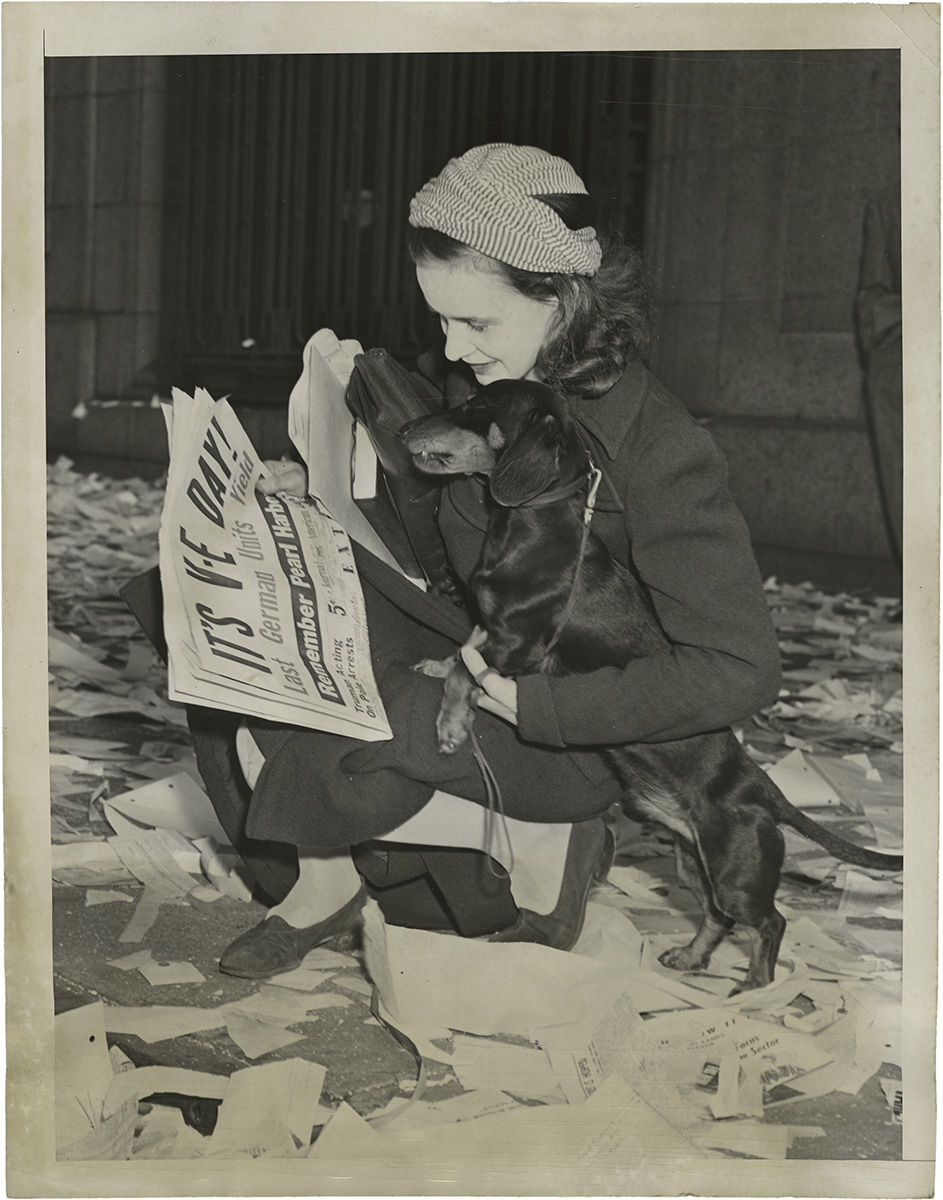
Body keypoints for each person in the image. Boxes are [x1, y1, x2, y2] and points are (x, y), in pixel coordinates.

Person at [213, 143, 783, 978]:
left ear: (562, 296)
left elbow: (741, 670)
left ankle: (551, 834)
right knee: (225, 613)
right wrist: (316, 486)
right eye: (438, 320)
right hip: (480, 648)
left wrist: (536, 709)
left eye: (474, 322)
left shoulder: (660, 451)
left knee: (375, 716)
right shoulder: (504, 377)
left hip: (579, 732)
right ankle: (327, 872)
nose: (449, 351)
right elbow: (457, 540)